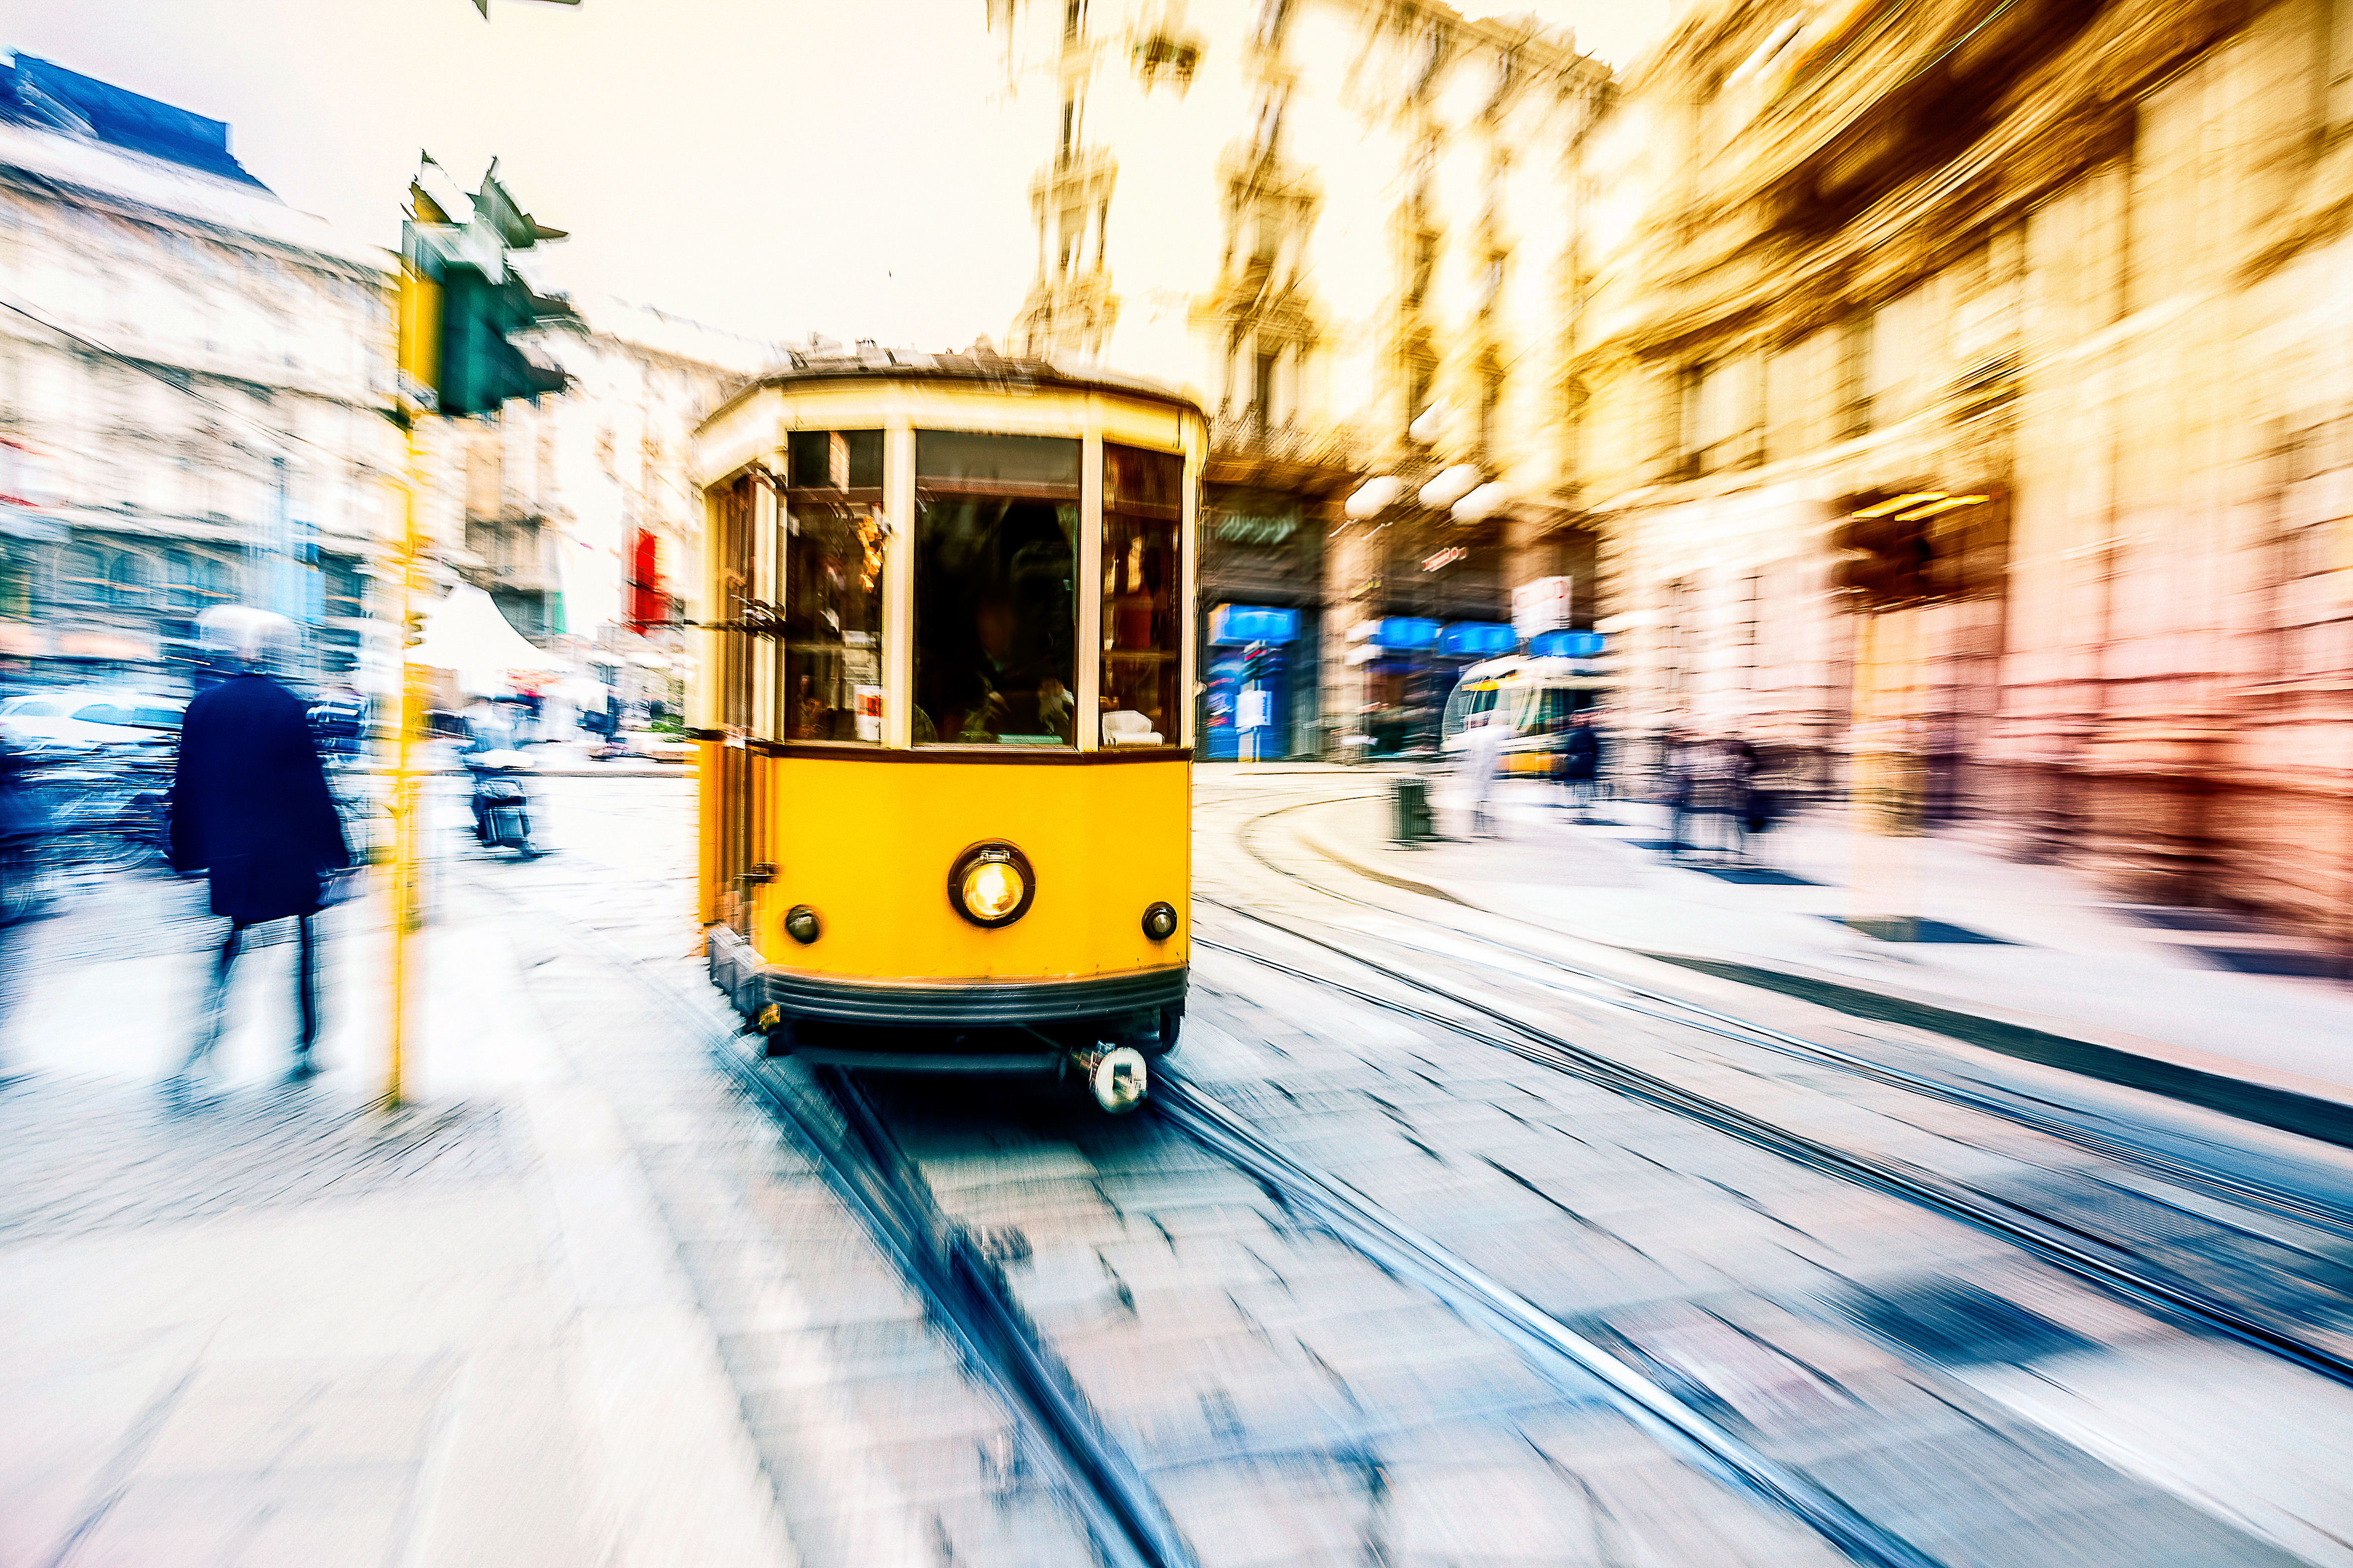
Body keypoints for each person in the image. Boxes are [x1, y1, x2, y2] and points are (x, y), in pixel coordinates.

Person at [167, 608, 351, 1092]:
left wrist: (185, 852)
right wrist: (335, 854)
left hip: (231, 850)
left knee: (233, 939)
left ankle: (205, 1037)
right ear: (282, 659)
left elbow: (186, 786)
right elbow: (310, 788)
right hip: (285, 850)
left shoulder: (204, 706)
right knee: (306, 943)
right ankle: (305, 1042)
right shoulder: (287, 706)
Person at [1460, 711, 1511, 837]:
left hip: (1482, 775)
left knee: (1480, 801)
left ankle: (1479, 829)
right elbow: (1505, 731)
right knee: (1484, 801)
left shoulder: (1479, 734)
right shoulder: (1487, 733)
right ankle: (1487, 830)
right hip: (1483, 775)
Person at [1559, 711, 1602, 819]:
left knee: (1582, 790)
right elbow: (1566, 750)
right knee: (1576, 790)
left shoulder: (1587, 734)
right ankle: (1579, 810)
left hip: (1584, 767)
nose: (1577, 722)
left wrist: (1591, 761)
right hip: (1575, 767)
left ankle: (1582, 810)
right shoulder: (1571, 734)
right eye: (1574, 720)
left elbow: (1596, 750)